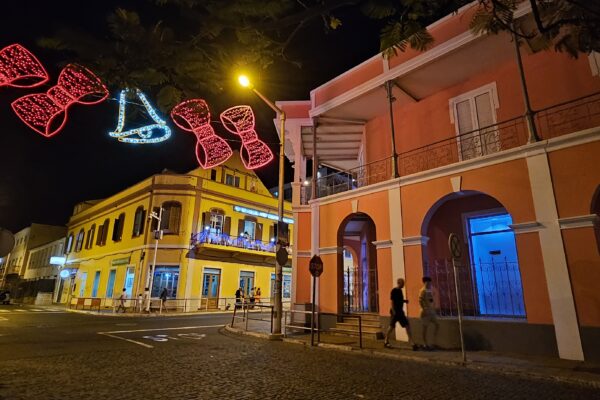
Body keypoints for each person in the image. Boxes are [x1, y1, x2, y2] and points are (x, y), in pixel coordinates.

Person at [384, 278, 417, 350]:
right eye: (403, 283)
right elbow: (392, 301)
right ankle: (386, 341)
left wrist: (404, 301)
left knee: (407, 325)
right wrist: (393, 311)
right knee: (391, 327)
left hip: (400, 312)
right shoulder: (394, 291)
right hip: (395, 312)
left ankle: (412, 343)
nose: (404, 284)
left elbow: (399, 300)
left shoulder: (400, 291)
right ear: (399, 283)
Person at [419, 276, 439, 350]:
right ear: (425, 282)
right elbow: (420, 300)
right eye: (428, 282)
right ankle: (425, 344)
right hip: (425, 312)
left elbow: (431, 300)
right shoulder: (423, 290)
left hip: (431, 311)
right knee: (425, 328)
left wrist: (433, 307)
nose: (430, 283)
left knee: (437, 325)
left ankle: (433, 342)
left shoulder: (430, 290)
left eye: (430, 282)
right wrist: (424, 309)